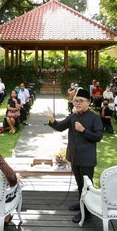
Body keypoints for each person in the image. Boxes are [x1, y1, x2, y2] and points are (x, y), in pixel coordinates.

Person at [44, 88, 103, 223]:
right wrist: (52, 119)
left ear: (88, 102)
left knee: (86, 185)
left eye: (81, 101)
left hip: (87, 159)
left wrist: (83, 130)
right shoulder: (73, 116)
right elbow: (60, 127)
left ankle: (87, 212)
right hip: (74, 156)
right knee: (79, 183)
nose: (77, 103)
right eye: (76, 101)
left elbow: (98, 137)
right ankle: (80, 203)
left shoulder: (94, 118)